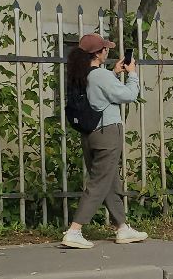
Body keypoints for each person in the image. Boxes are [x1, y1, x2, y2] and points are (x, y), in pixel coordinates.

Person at [61, 33, 148, 249]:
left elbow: (97, 92)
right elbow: (128, 95)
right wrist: (132, 74)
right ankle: (74, 230)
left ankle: (122, 227)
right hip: (107, 133)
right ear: (99, 53)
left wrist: (113, 73)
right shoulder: (100, 76)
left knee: (108, 181)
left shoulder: (83, 75)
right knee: (99, 183)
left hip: (90, 135)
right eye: (105, 49)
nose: (108, 51)